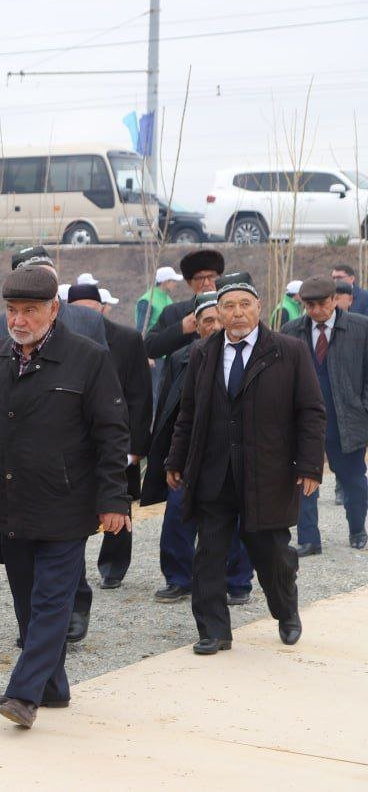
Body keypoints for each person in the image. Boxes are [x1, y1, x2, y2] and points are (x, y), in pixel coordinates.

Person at [0, 265, 129, 729]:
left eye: (29, 311)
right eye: (11, 311)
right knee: (26, 602)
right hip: (13, 502)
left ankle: (24, 695)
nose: (18, 320)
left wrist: (114, 499)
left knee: (50, 602)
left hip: (67, 501)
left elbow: (111, 434)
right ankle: (54, 686)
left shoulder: (88, 358)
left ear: (53, 310)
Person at [166, 271, 325, 655]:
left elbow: (311, 412)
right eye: (228, 306)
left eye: (244, 305)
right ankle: (215, 631)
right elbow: (188, 412)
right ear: (218, 312)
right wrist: (176, 458)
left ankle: (286, 610)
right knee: (209, 555)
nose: (237, 313)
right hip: (214, 471)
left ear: (259, 307)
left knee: (273, 555)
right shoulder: (204, 352)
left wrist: (308, 466)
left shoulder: (288, 351)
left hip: (266, 471)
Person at [141, 293, 254, 604]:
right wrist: (166, 457)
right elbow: (168, 409)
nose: (215, 326)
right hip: (189, 455)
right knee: (177, 516)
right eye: (208, 321)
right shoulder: (182, 359)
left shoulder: (248, 357)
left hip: (232, 454)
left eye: (219, 319)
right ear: (198, 327)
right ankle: (179, 579)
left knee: (233, 519)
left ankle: (238, 582)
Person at [64, 283, 152, 639]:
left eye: (91, 308)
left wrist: (134, 447)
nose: (85, 315)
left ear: (102, 309)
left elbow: (140, 396)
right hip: (75, 447)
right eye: (78, 308)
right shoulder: (57, 344)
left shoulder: (127, 340)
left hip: (117, 440)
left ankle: (113, 565)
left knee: (118, 505)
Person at [281, 276, 368, 553]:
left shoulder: (360, 329)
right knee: (305, 480)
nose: (317, 310)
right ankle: (309, 539)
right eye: (310, 305)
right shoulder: (291, 331)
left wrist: (362, 408)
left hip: (348, 419)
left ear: (334, 300)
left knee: (354, 480)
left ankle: (357, 529)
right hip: (305, 422)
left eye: (322, 303)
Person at [0, 247, 107, 349]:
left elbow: (103, 371)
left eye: (49, 277)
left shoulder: (89, 320)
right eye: (36, 280)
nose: (45, 284)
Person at [143, 249, 223, 360]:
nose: (206, 283)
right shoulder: (173, 312)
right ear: (190, 283)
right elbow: (149, 347)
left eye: (211, 277)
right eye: (199, 278)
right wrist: (181, 328)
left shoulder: (231, 310)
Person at [135, 266, 183, 333]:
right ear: (165, 282)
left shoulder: (168, 299)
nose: (176, 284)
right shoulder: (146, 300)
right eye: (173, 281)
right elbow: (141, 330)